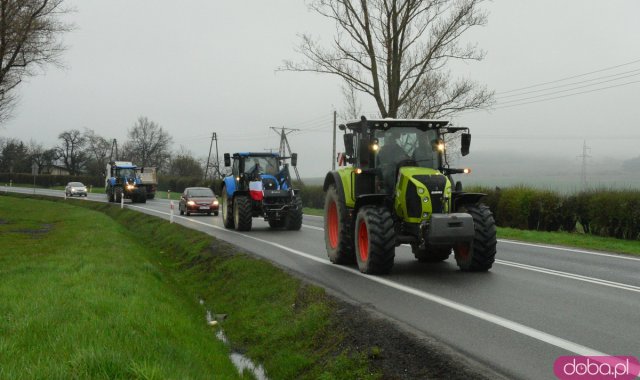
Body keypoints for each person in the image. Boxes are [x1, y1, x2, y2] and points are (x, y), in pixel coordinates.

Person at [376, 128, 410, 194]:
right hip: (386, 172)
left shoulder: (399, 149)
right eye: (389, 139)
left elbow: (406, 159)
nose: (391, 141)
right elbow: (377, 163)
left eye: (392, 139)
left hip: (398, 171)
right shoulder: (383, 150)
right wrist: (385, 165)